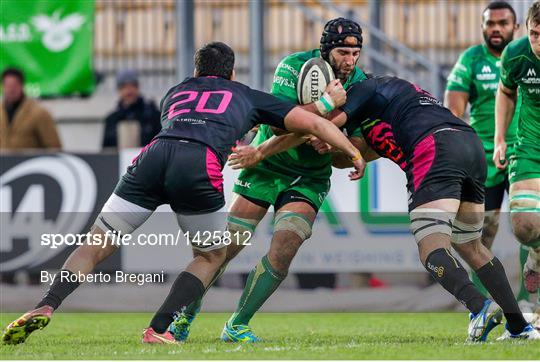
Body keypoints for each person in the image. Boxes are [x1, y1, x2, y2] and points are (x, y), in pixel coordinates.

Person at [1, 42, 366, 345]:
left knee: (96, 243)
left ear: (195, 73)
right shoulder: (246, 95)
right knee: (211, 256)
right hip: (197, 163)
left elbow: (178, 123)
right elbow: (314, 124)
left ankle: (46, 304)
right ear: (232, 74)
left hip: (151, 157)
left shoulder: (175, 92)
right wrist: (351, 151)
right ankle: (160, 328)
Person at [236, 74, 540, 341]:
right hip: (468, 143)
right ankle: (518, 326)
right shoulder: (390, 106)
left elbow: (312, 124)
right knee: (471, 244)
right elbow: (355, 151)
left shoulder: (366, 89)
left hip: (434, 148)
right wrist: (344, 149)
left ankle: (480, 307)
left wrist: (263, 149)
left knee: (431, 247)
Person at [168, 17, 378, 343]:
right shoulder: (293, 67)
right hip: (268, 164)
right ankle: (185, 312)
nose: (349, 61)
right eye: (342, 52)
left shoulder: (360, 84)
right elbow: (280, 125)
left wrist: (334, 143)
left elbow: (346, 150)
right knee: (225, 247)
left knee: (286, 246)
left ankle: (237, 323)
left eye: (355, 53)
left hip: (309, 176)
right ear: (325, 49)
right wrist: (321, 112)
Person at [444, 1, 532, 308]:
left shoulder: (528, 55)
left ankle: (527, 302)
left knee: (530, 226)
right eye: (490, 23)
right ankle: (486, 306)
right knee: (480, 235)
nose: (495, 29)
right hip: (484, 159)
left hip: (527, 152)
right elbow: (454, 105)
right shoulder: (471, 58)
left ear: (515, 26)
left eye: (502, 23)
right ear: (483, 27)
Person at [493, 0, 540, 326]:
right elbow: (506, 91)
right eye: (535, 34)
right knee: (524, 226)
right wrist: (499, 138)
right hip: (529, 146)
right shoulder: (517, 54)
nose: (539, 43)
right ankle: (536, 251)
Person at [0, 68, 61, 150]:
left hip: (31, 162)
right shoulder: (1, 112)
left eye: (14, 85)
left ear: (22, 86)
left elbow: (54, 147)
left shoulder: (39, 113)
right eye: (7, 85)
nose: (10, 90)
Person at [102, 69, 161, 149]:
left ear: (137, 88)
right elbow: (106, 151)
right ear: (119, 90)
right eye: (124, 87)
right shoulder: (111, 120)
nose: (129, 91)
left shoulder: (153, 116)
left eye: (132, 86)